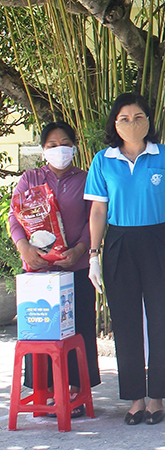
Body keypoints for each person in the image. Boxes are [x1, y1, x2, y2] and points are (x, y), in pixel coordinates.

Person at [84, 92, 165, 425]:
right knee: (126, 323)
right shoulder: (103, 160)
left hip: (158, 240)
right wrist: (93, 255)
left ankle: (156, 397)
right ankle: (135, 399)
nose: (132, 123)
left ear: (149, 120)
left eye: (139, 116)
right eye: (124, 118)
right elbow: (98, 210)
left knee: (161, 319)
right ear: (115, 124)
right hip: (118, 243)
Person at [8, 122, 100, 416]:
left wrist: (79, 250)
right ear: (42, 149)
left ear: (73, 146)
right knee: (41, 331)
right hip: (39, 272)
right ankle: (43, 391)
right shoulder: (30, 179)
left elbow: (94, 220)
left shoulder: (87, 179)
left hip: (75, 266)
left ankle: (76, 390)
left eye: (64, 143)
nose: (58, 149)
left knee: (79, 327)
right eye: (51, 144)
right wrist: (24, 248)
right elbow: (14, 218)